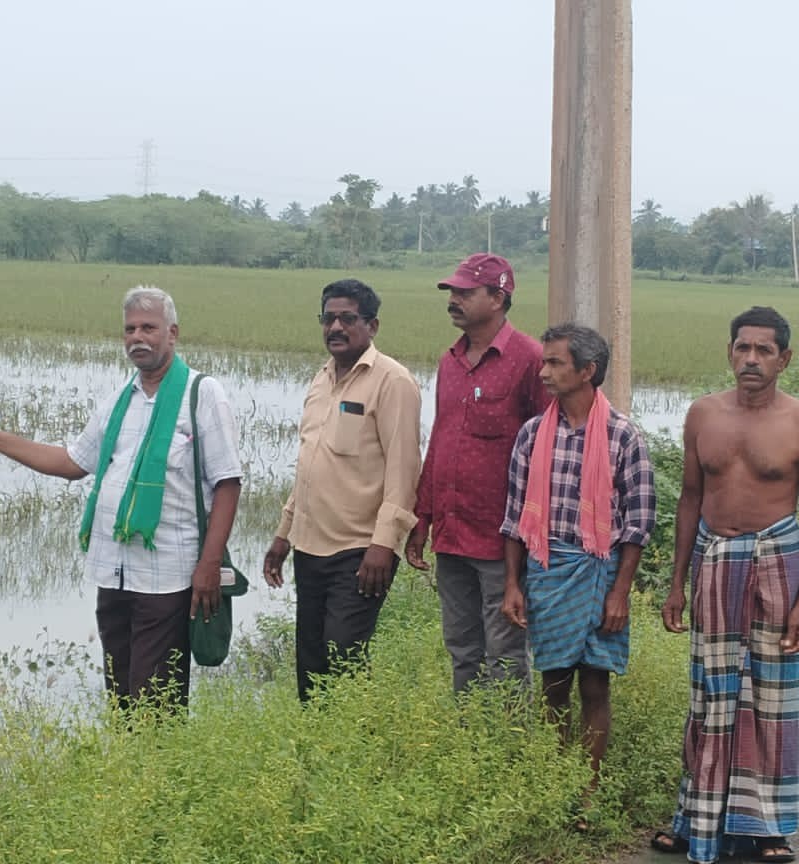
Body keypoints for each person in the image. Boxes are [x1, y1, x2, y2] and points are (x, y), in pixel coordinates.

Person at [0, 286, 242, 711]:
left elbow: (228, 483)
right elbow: (73, 462)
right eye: (130, 329)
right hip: (114, 576)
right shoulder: (120, 400)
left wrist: (208, 566)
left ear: (172, 334)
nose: (138, 337)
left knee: (156, 702)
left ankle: (156, 772)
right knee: (121, 697)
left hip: (169, 578)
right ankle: (128, 773)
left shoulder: (201, 395)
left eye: (148, 328)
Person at [653, 307, 799, 864]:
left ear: (784, 359)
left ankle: (769, 829)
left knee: (773, 699)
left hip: (780, 563)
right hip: (715, 564)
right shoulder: (702, 414)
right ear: (729, 352)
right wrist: (675, 584)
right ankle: (696, 818)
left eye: (764, 351)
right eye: (743, 348)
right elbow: (690, 498)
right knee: (711, 697)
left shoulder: (795, 418)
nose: (752, 360)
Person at [500, 323, 655, 814]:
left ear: (588, 371)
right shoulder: (532, 434)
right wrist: (512, 585)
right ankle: (554, 785)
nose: (543, 371)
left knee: (594, 683)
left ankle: (586, 793)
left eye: (554, 363)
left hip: (602, 572)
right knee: (552, 684)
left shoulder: (622, 435)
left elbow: (637, 523)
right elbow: (514, 517)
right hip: (549, 570)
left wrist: (620, 592)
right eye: (544, 362)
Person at [264, 278, 422, 701]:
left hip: (359, 549)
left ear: (371, 325)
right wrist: (284, 533)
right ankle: (318, 749)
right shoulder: (321, 380)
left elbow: (404, 471)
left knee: (344, 654)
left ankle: (357, 745)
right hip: (309, 546)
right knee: (311, 660)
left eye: (347, 318)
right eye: (328, 318)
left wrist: (383, 546)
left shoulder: (393, 381)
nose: (335, 326)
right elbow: (309, 466)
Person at [406, 253, 551, 693]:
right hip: (450, 533)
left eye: (466, 292)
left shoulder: (530, 360)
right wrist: (422, 517)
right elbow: (441, 442)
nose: (454, 299)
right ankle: (471, 738)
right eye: (452, 291)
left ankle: (507, 748)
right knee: (462, 647)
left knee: (505, 652)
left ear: (499, 297)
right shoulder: (450, 360)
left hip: (499, 540)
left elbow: (545, 451)